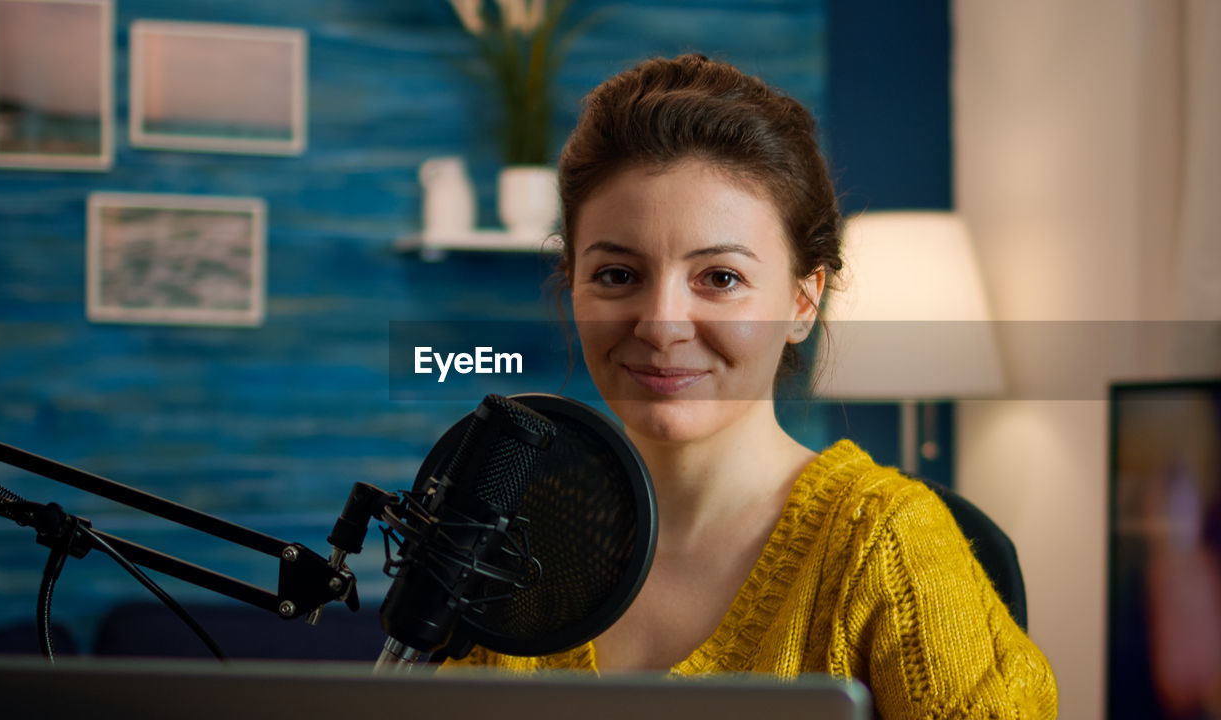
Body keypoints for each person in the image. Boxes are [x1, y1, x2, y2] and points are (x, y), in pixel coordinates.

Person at [445, 54, 1058, 718]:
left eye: (721, 278)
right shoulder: (501, 536)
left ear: (803, 300)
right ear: (573, 284)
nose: (660, 325)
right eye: (618, 275)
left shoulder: (886, 547)